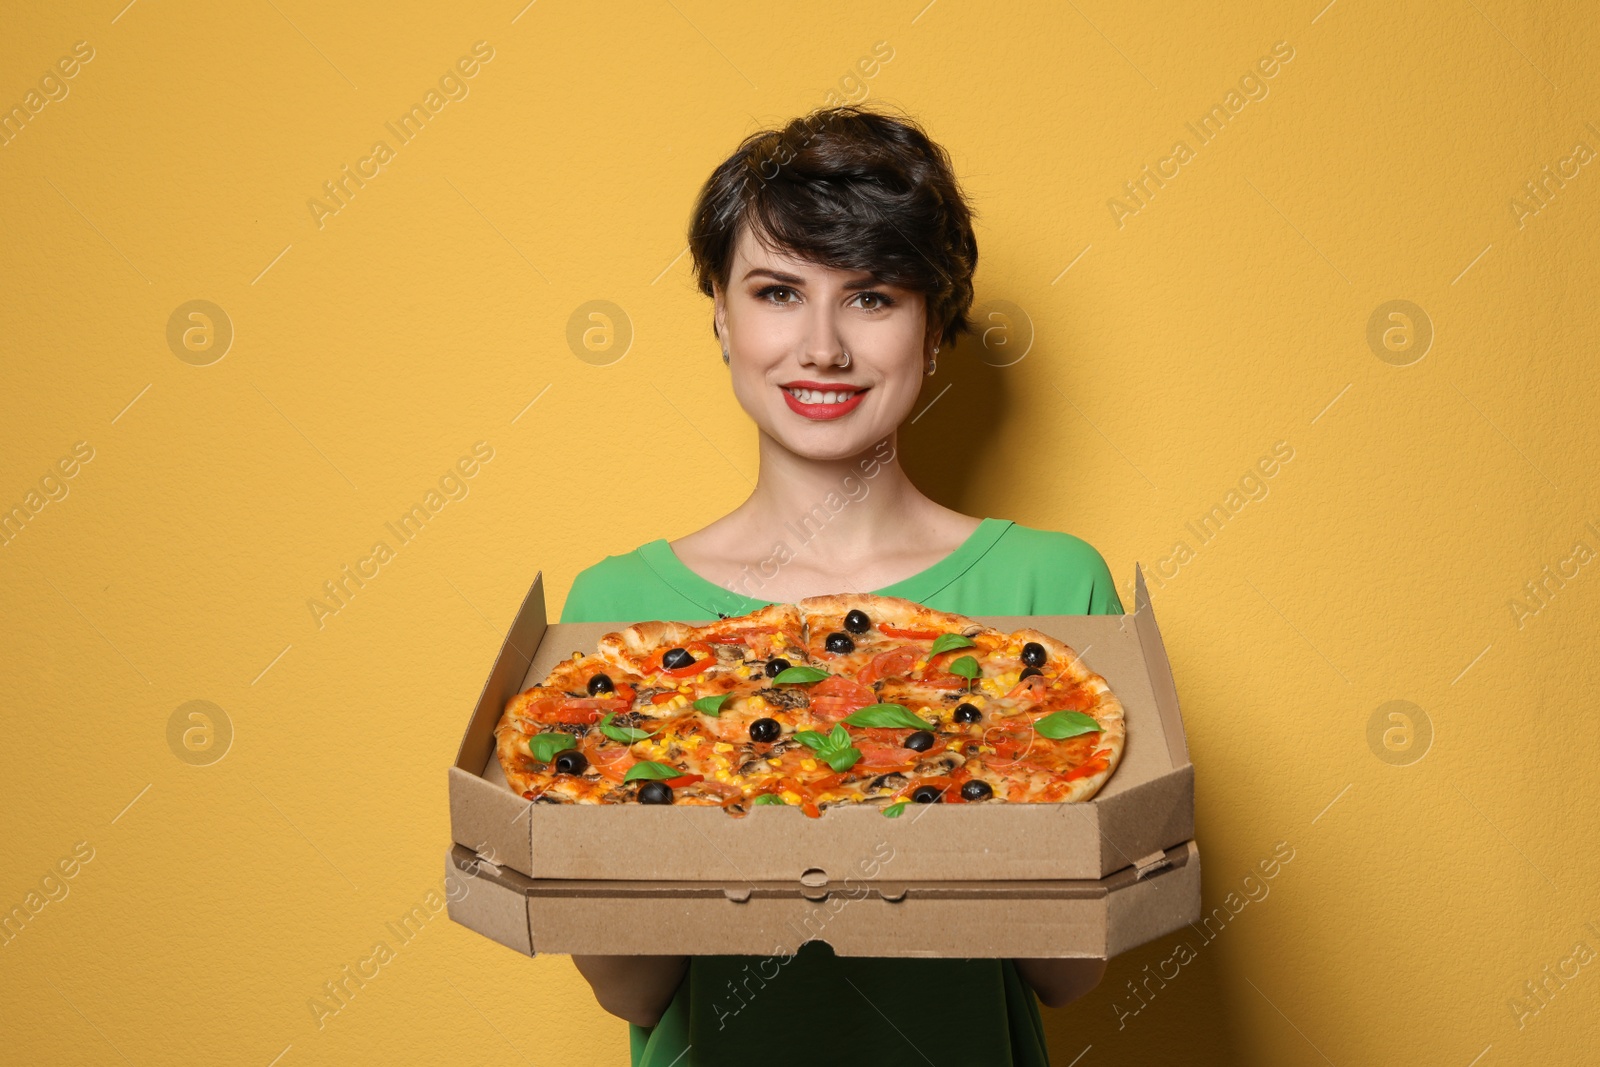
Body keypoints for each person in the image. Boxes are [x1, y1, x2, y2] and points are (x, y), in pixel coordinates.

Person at [559, 104, 1123, 1067]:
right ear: (721, 321)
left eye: (872, 297)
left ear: (934, 327)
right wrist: (711, 753)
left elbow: (1065, 975)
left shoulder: (1052, 584)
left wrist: (948, 735)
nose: (822, 347)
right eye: (778, 292)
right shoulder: (619, 612)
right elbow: (633, 984)